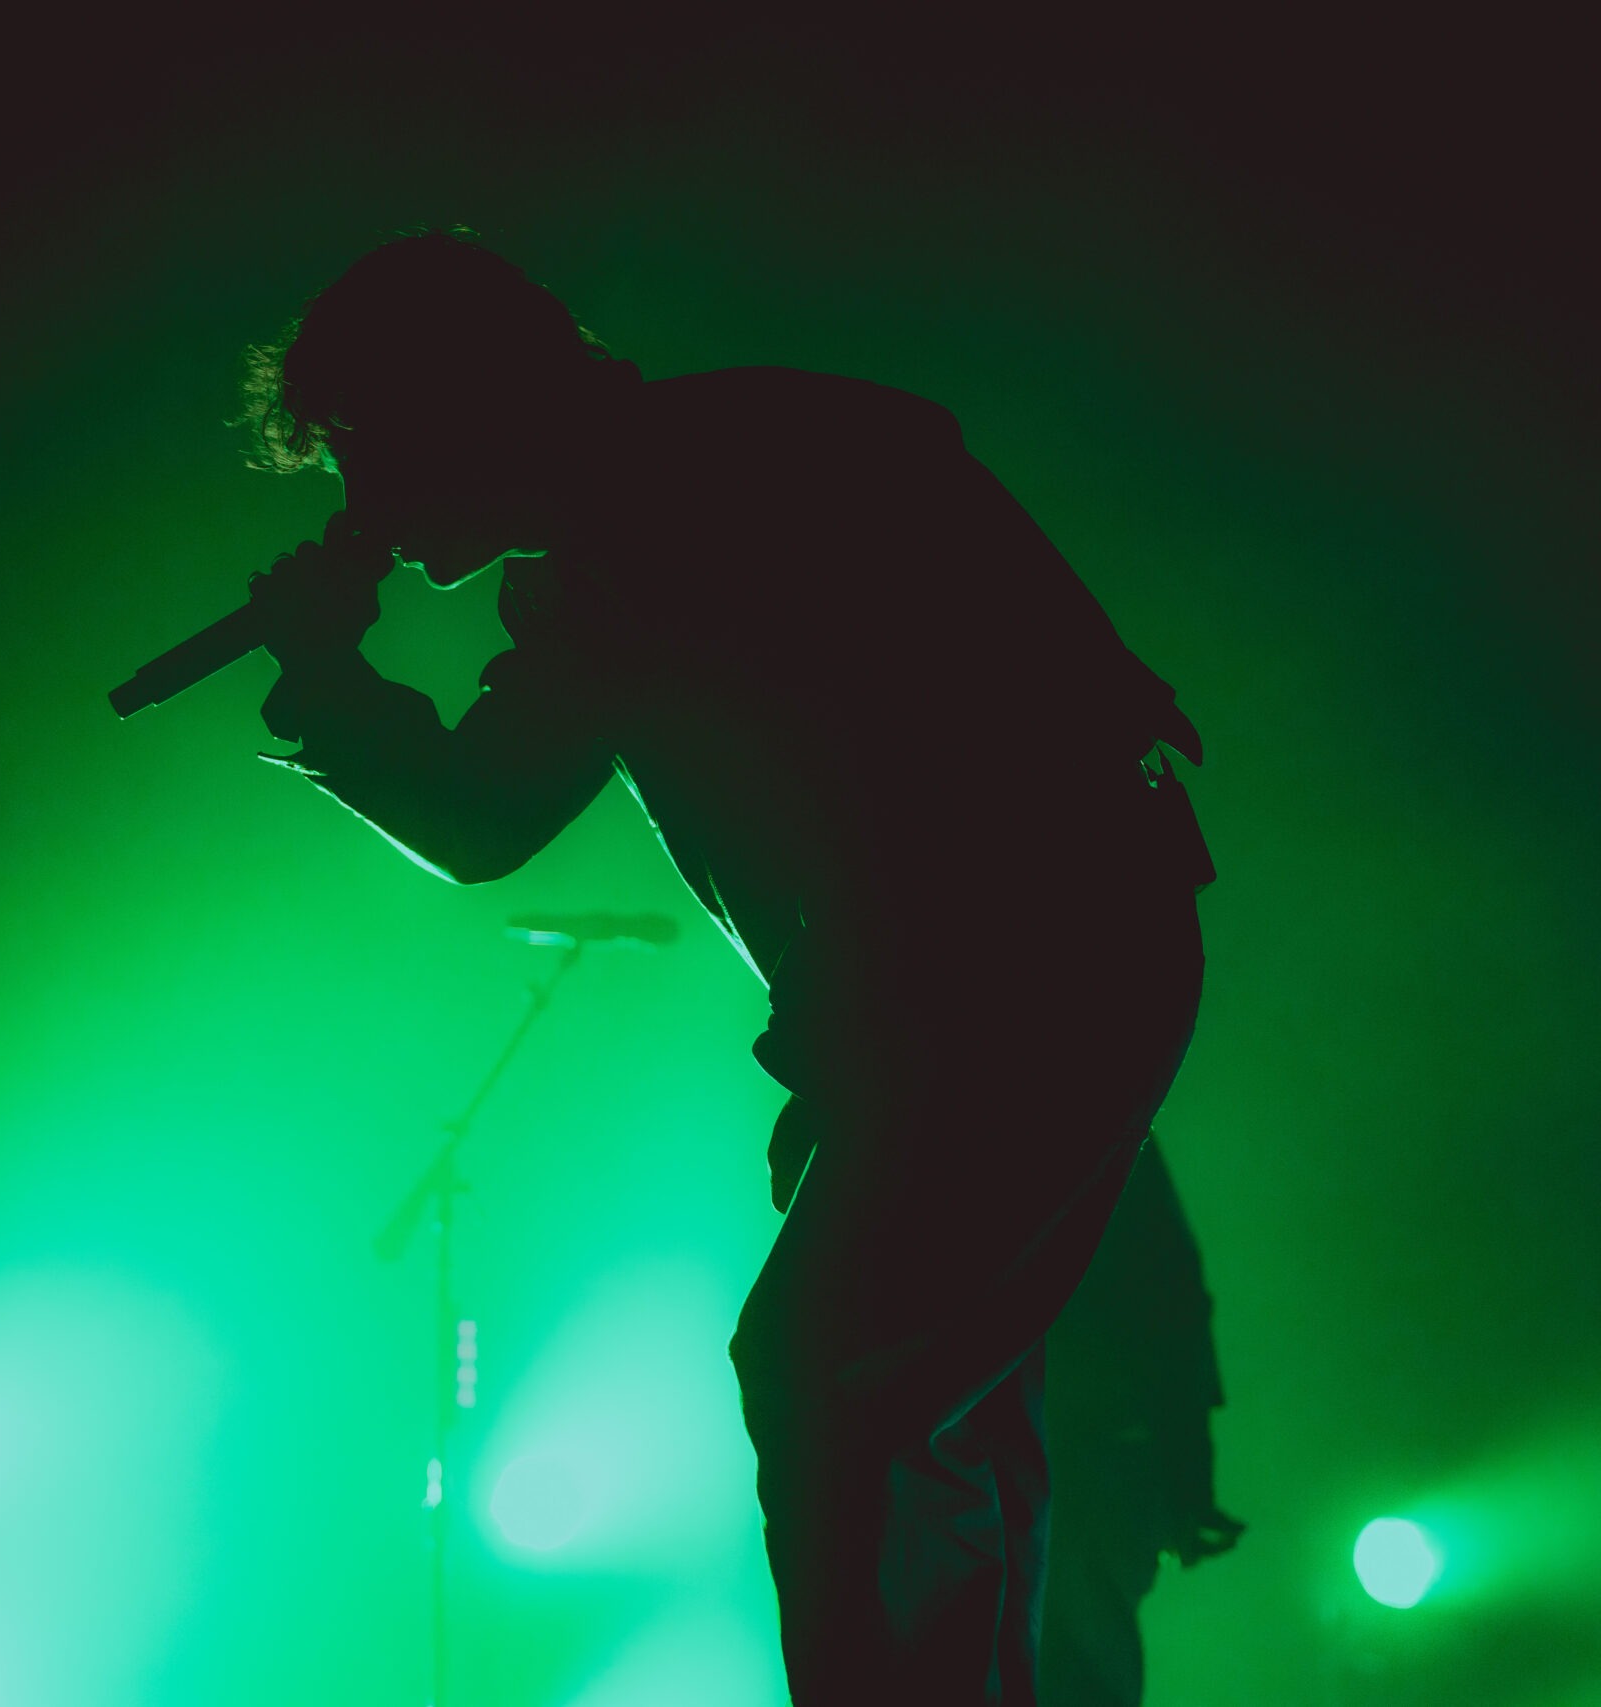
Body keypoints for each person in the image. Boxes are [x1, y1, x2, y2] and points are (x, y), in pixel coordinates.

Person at [237, 229, 1215, 1703]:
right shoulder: (722, 464)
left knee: (831, 1371)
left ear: (463, 400)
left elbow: (485, 812)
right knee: (931, 1402)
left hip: (1018, 977)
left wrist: (324, 669)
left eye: (367, 451)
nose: (361, 505)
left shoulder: (651, 517)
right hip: (1023, 972)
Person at [1038, 1131, 1245, 1705]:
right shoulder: (1112, 1127)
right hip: (1096, 1455)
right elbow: (1178, 1298)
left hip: (1082, 1456)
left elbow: (1176, 1300)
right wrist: (1188, 1477)